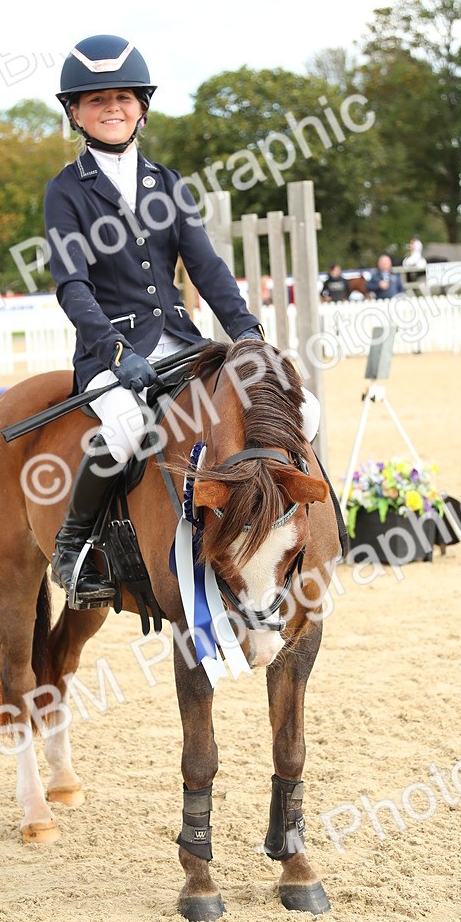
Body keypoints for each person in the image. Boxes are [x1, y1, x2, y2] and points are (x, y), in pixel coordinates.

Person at [44, 34, 321, 607]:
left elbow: (208, 267)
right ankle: (76, 550)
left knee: (304, 409)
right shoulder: (66, 192)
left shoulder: (167, 183)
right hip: (111, 355)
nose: (111, 107)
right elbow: (72, 286)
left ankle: (290, 532)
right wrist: (117, 355)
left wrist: (246, 335)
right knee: (122, 427)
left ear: (141, 106)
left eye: (122, 96)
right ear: (75, 112)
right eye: (96, 100)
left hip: (185, 345)